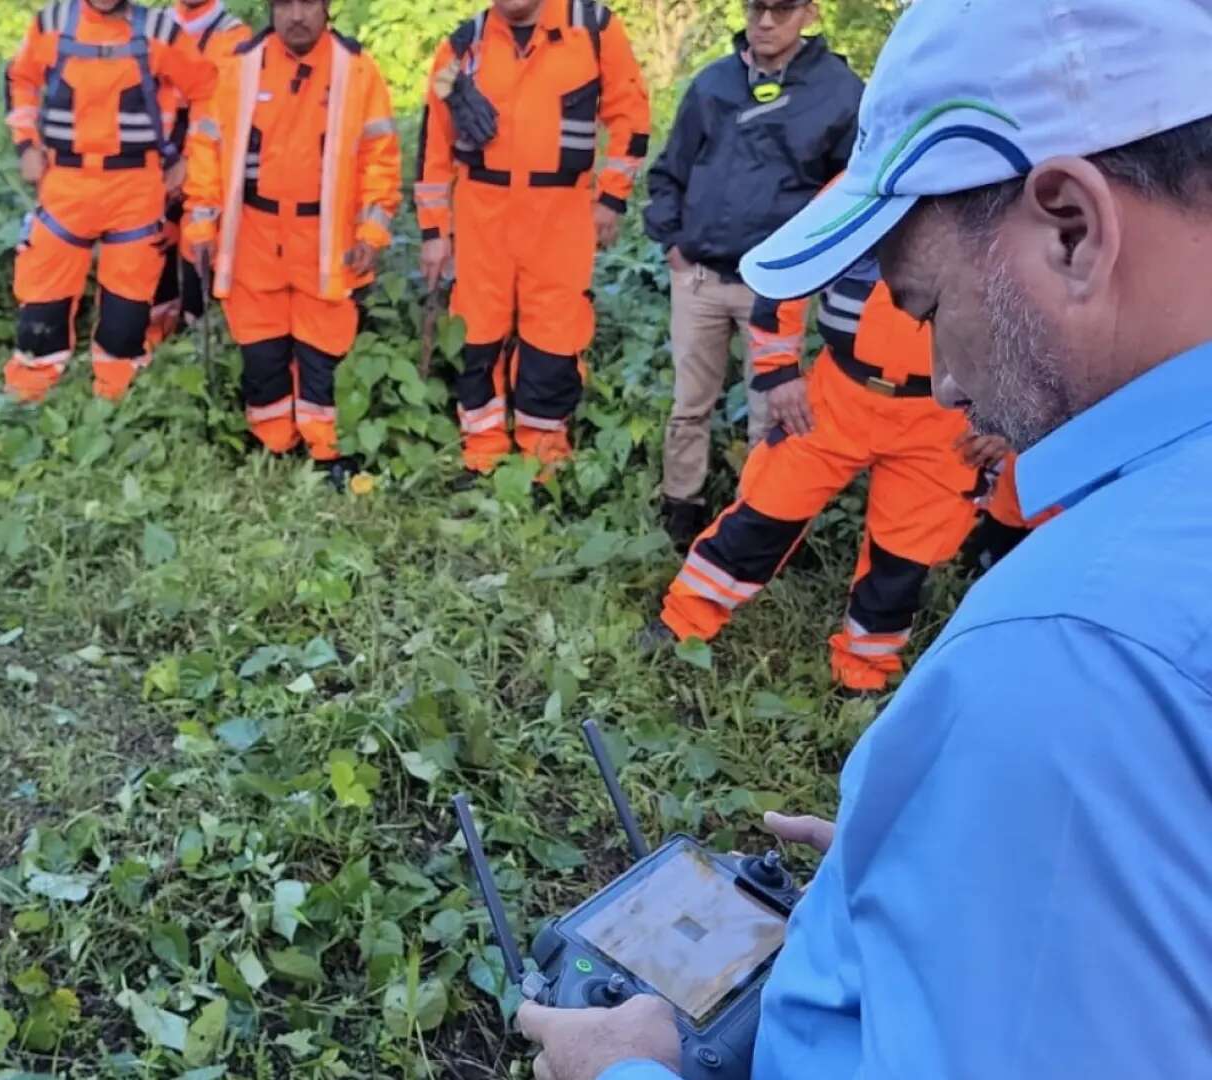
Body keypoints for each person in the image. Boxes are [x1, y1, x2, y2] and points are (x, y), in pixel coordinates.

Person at [517, 1, 1212, 1077]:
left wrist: (628, 1071)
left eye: (926, 304)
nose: (944, 374)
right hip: (839, 414)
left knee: (893, 577)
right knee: (756, 527)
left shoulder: (1073, 662)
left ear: (1071, 228)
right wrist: (965, 872)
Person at [647, 256, 994, 695]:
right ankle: (683, 623)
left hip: (944, 418)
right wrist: (778, 372)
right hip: (836, 397)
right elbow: (788, 267)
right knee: (765, 511)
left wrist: (1006, 419)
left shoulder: (1004, 208)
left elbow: (1039, 318)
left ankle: (863, 675)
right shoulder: (854, 196)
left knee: (903, 559)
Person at [642, 0, 861, 549]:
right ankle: (680, 511)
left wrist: (817, 267)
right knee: (689, 404)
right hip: (701, 276)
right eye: (756, 7)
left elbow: (850, 193)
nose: (765, 22)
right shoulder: (713, 84)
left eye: (781, 10)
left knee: (773, 414)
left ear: (809, 14)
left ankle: (755, 527)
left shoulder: (839, 92)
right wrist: (672, 241)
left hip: (778, 291)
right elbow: (670, 170)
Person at [417, 0, 651, 482]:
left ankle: (545, 461)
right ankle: (481, 454)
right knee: (477, 332)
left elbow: (631, 116)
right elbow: (433, 153)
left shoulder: (593, 29)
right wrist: (434, 232)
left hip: (560, 212)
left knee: (554, 335)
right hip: (482, 212)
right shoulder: (463, 46)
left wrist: (612, 197)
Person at [183, 0, 400, 483]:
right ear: (269, 8)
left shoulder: (357, 70)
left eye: (308, 4)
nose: (296, 15)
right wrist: (201, 226)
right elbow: (206, 153)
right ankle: (273, 445)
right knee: (261, 353)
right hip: (254, 236)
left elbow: (380, 160)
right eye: (285, 4)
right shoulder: (238, 67)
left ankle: (326, 455)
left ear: (326, 9)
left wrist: (371, 233)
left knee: (323, 354)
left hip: (327, 238)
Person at [1, 0, 217, 404]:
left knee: (129, 301)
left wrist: (189, 159)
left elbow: (208, 91)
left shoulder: (160, 33)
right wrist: (26, 145)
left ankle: (115, 393)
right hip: (64, 180)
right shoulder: (52, 23)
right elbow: (20, 80)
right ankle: (27, 390)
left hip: (136, 184)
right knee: (42, 292)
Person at [146, 0, 252, 347]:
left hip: (205, 159)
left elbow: (220, 112)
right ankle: (152, 341)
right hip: (154, 154)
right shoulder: (152, 25)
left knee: (198, 244)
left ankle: (197, 341)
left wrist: (190, 165)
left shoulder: (233, 36)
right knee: (151, 247)